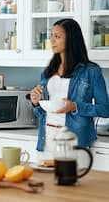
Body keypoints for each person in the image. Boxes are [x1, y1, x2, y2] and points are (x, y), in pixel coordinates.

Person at [30, 18, 109, 160]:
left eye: (57, 36)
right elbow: (43, 113)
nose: (52, 41)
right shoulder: (48, 71)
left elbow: (105, 109)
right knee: (45, 182)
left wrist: (75, 106)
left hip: (74, 141)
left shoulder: (91, 72)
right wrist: (36, 102)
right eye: (51, 36)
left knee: (71, 181)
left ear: (71, 40)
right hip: (46, 139)